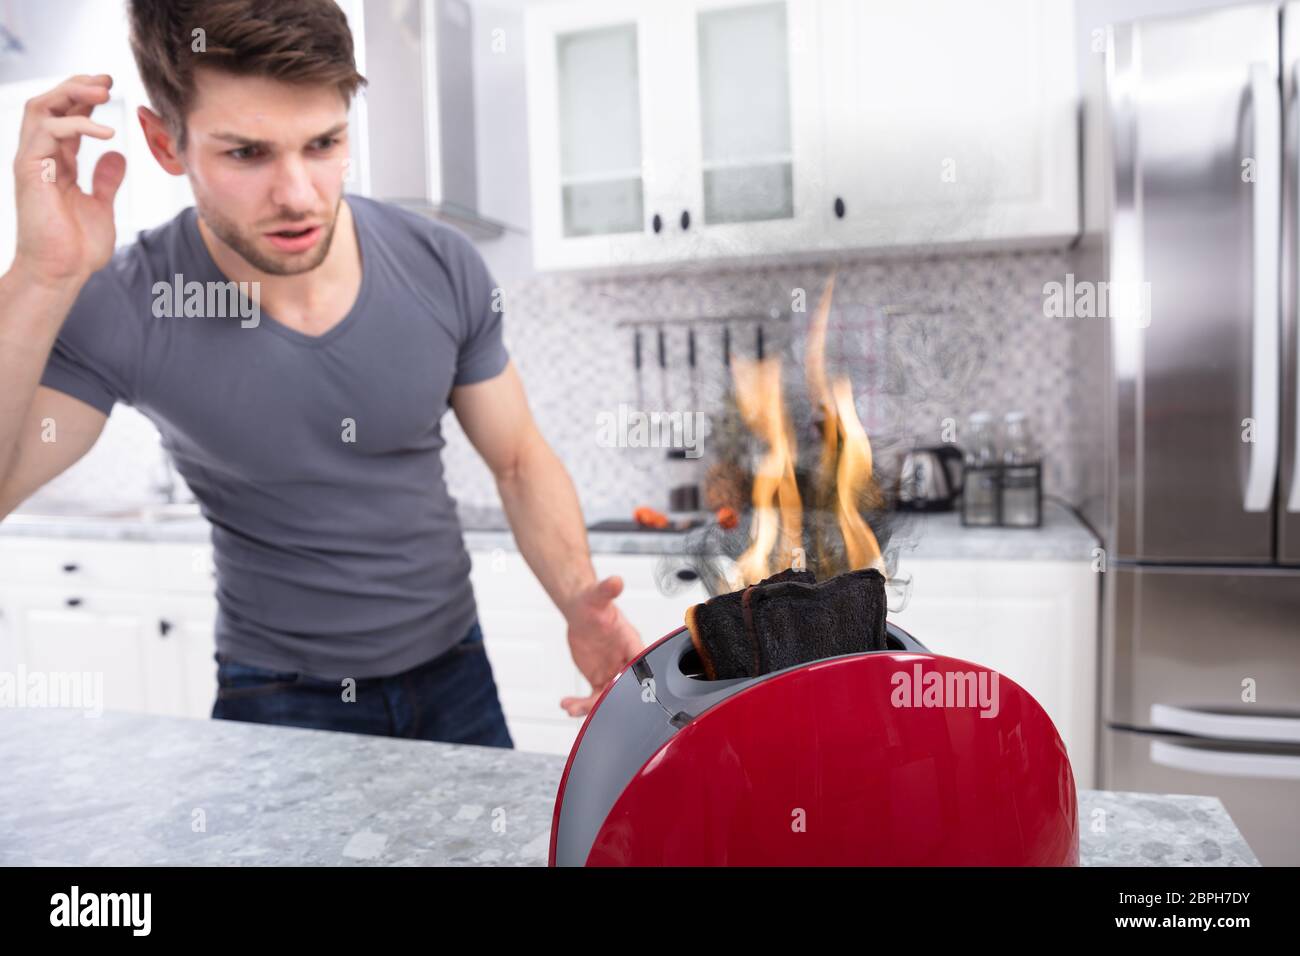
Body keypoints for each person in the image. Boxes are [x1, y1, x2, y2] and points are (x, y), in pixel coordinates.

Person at [0, 0, 643, 746]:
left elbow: (519, 461)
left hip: (456, 674)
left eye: (324, 143)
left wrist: (576, 603)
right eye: (247, 153)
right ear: (163, 142)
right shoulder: (124, 302)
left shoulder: (440, 266)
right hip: (275, 697)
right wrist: (39, 276)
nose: (299, 195)